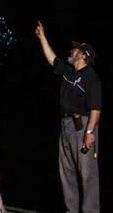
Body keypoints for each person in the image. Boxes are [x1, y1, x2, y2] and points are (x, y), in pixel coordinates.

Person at [35, 21, 102, 213]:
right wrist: (42, 37)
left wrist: (90, 132)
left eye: (75, 50)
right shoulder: (68, 72)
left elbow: (96, 108)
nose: (71, 51)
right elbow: (52, 59)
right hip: (66, 125)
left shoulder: (91, 76)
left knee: (87, 174)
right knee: (66, 171)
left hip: (83, 126)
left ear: (83, 55)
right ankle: (70, 210)